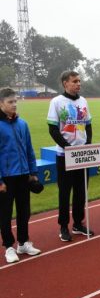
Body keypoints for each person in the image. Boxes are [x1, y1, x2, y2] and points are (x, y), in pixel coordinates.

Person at [48, 71, 93, 241]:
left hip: (82, 154)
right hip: (64, 155)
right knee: (65, 193)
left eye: (79, 81)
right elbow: (52, 129)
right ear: (65, 83)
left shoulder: (83, 101)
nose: (78, 84)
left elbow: (88, 125)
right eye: (75, 81)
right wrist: (67, 148)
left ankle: (78, 223)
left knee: (81, 191)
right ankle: (63, 226)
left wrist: (88, 144)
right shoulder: (57, 102)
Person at [0, 88, 41, 263]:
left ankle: (23, 243)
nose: (14, 104)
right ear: (1, 104)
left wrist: (33, 172)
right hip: (6, 178)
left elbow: (29, 150)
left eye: (15, 101)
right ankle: (9, 247)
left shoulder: (23, 124)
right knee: (5, 213)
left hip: (24, 175)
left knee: (24, 212)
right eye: (10, 102)